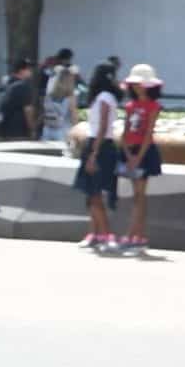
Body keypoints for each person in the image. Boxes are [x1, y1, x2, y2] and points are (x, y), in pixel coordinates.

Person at [73, 58, 124, 251]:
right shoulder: (107, 97)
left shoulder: (103, 98)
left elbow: (102, 126)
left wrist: (93, 153)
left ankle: (107, 235)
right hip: (99, 144)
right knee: (91, 192)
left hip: (99, 145)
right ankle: (94, 233)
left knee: (94, 193)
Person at [116, 65, 164, 251]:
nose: (137, 87)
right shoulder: (130, 106)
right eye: (135, 84)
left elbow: (148, 134)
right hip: (130, 150)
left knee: (139, 195)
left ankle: (135, 235)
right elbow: (125, 131)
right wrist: (128, 153)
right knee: (136, 196)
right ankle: (137, 235)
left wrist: (138, 157)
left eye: (140, 84)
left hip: (144, 152)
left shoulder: (153, 106)